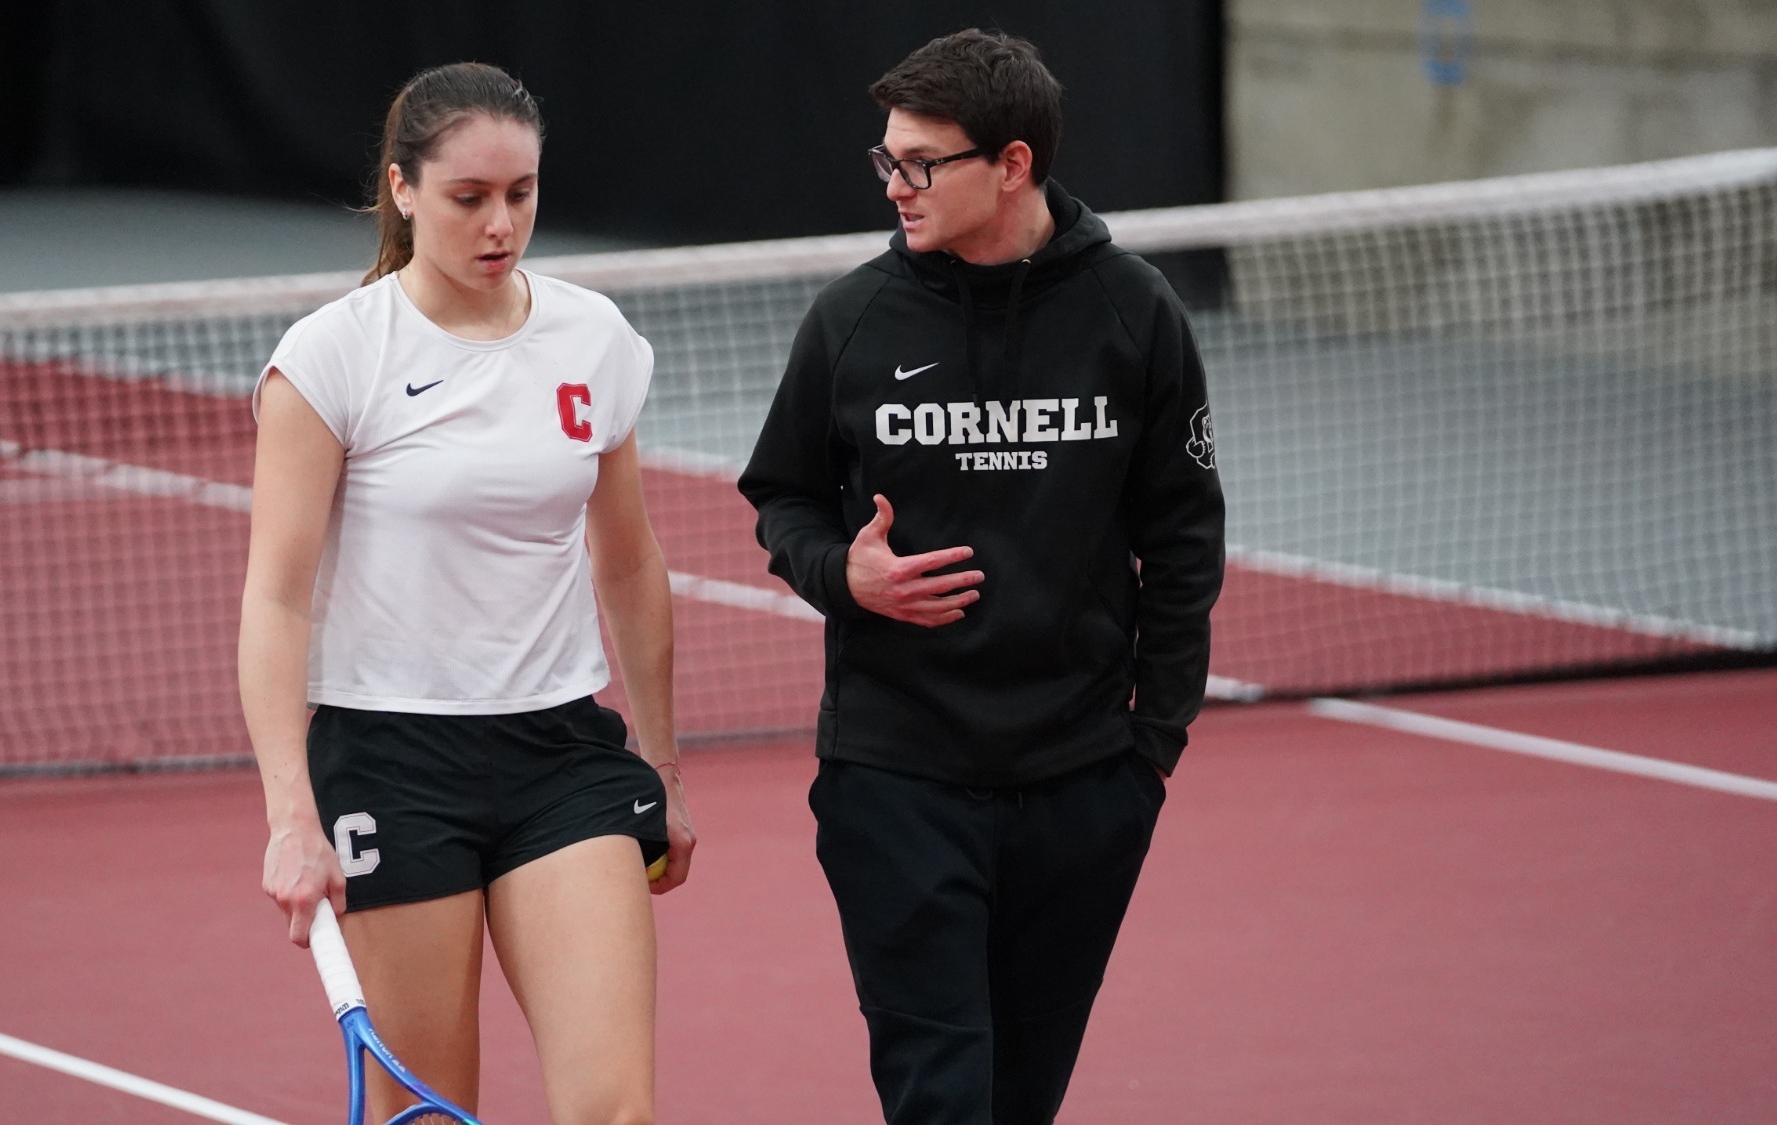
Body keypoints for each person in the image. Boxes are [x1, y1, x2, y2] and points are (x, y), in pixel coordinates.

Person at [737, 29, 1225, 1125]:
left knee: (1018, 1098)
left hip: (1085, 783)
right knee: (941, 1095)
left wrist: (1151, 750)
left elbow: (1184, 534)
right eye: (886, 160)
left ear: (1011, 164)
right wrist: (839, 574)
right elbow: (783, 500)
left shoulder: (1132, 313)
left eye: (921, 163)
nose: (894, 186)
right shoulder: (853, 319)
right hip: (894, 777)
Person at [238, 63, 693, 1125]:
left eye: (520, 195)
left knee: (616, 1113)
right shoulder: (332, 358)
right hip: (391, 763)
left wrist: (663, 763)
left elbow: (625, 558)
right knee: (429, 1116)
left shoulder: (592, 340)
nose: (500, 224)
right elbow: (275, 600)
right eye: (468, 198)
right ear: (402, 189)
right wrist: (289, 815)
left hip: (562, 757)